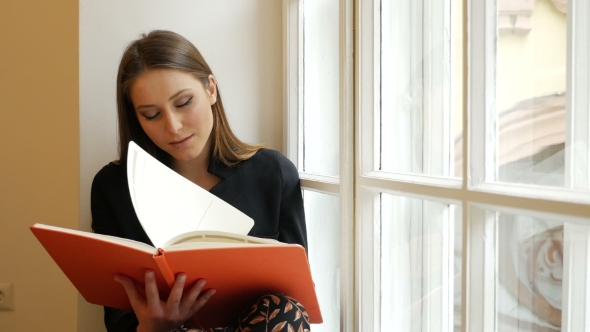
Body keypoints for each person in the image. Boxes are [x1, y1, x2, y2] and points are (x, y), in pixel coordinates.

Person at [91, 30, 310, 332]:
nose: (173, 126)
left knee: (285, 308)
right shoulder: (113, 187)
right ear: (136, 118)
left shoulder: (272, 173)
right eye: (152, 115)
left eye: (183, 103)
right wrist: (152, 327)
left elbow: (297, 296)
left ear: (211, 89)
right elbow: (116, 316)